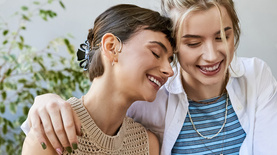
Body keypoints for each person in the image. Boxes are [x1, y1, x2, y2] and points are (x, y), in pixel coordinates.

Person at [22, 0, 277, 154]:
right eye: (193, 43)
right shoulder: (152, 94)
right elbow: (101, 97)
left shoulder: (145, 143)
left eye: (223, 36)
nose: (211, 55)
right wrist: (46, 100)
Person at [21, 4, 175, 155]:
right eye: (155, 53)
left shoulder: (147, 145)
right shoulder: (51, 131)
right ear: (111, 47)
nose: (169, 71)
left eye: (170, 60)